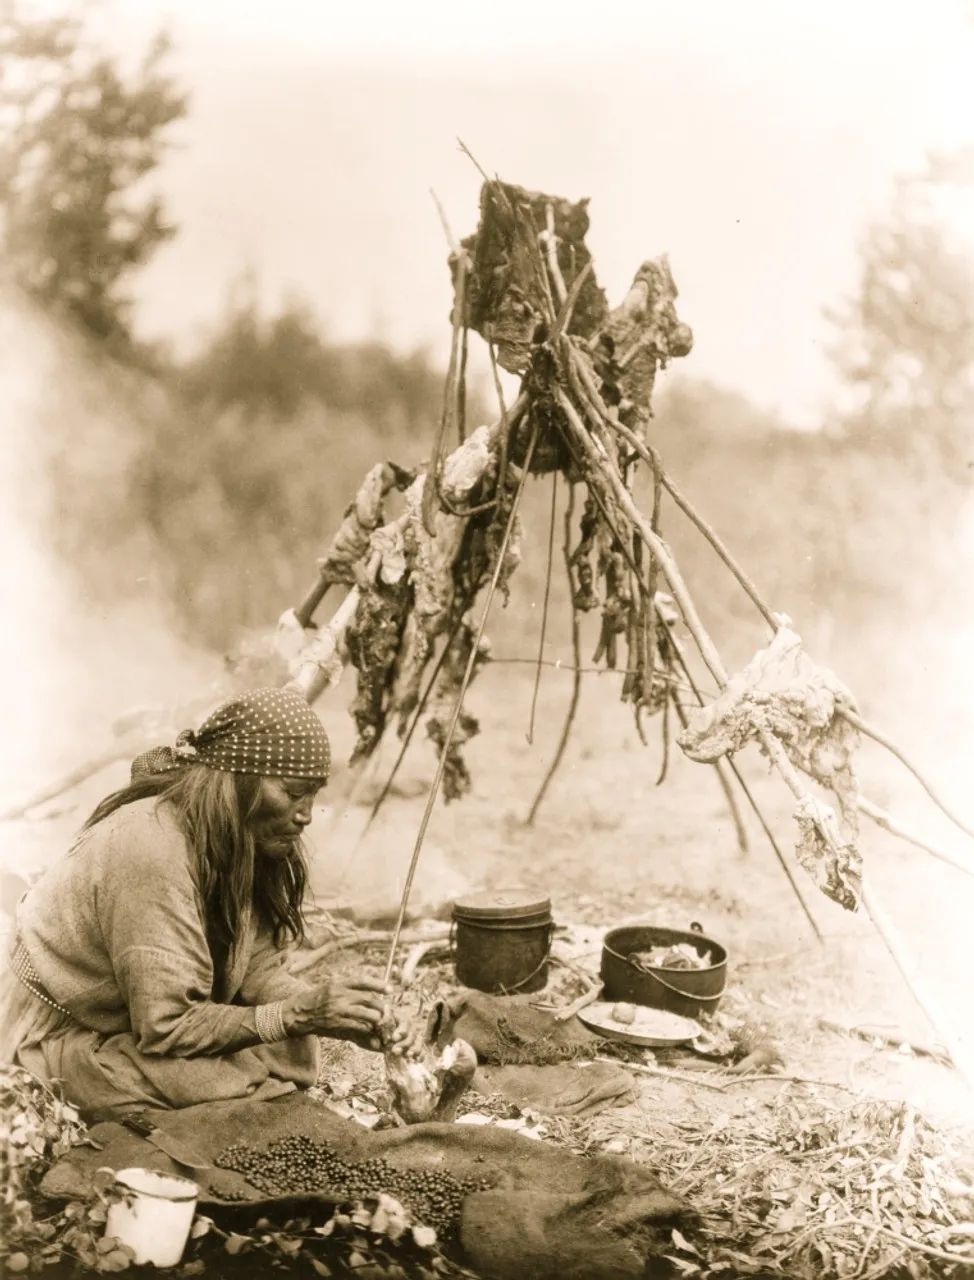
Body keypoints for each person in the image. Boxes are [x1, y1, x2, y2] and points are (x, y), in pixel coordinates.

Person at [0, 687, 420, 1119]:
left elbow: (258, 967)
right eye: (294, 792)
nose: (306, 814)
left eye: (313, 794)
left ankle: (240, 1085)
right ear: (240, 780)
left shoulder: (243, 836)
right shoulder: (152, 847)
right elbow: (166, 1026)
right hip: (61, 1031)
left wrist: (343, 1014)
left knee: (290, 1048)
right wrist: (297, 1014)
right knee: (206, 1079)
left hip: (143, 1016)